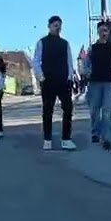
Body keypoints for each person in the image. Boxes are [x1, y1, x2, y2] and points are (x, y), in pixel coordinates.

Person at [31, 15, 77, 151]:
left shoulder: (65, 43)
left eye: (60, 25)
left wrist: (70, 77)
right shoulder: (42, 42)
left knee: (68, 109)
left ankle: (66, 139)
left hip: (63, 81)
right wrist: (41, 77)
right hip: (48, 81)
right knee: (47, 110)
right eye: (55, 25)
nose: (58, 28)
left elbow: (69, 62)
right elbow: (36, 61)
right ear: (49, 26)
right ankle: (47, 139)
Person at [82, 20, 111, 150]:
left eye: (106, 31)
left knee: (106, 111)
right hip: (94, 82)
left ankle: (107, 138)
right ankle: (95, 132)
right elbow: (85, 62)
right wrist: (87, 72)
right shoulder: (92, 48)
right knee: (94, 110)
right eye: (101, 31)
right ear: (98, 32)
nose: (103, 33)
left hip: (108, 82)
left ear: (108, 32)